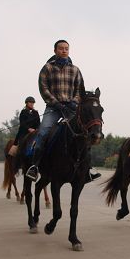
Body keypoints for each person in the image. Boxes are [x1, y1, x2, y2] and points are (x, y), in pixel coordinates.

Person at [25, 40, 101, 182]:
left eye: (66, 48)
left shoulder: (75, 70)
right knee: (42, 133)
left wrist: (75, 101)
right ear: (55, 51)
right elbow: (43, 89)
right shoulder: (47, 68)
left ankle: (88, 168)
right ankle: (34, 167)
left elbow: (80, 90)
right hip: (53, 108)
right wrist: (56, 103)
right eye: (61, 49)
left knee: (84, 133)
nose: (64, 51)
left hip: (71, 108)